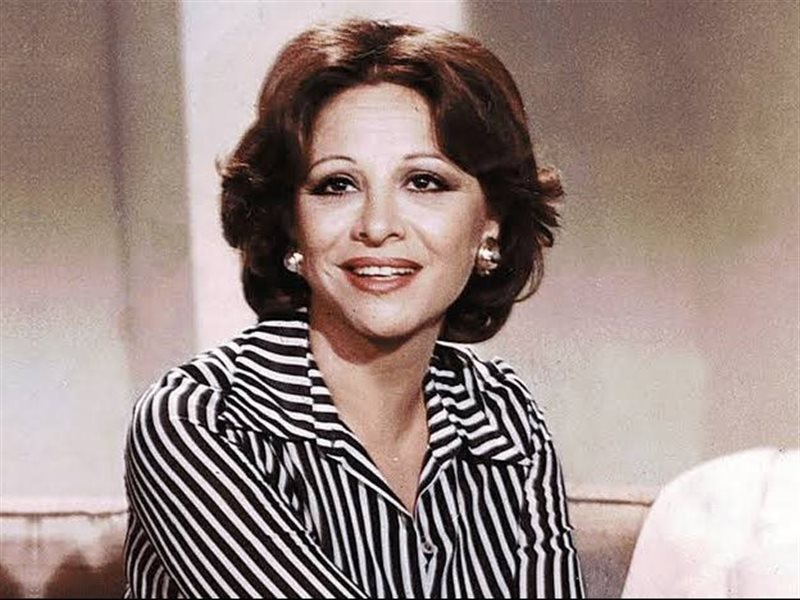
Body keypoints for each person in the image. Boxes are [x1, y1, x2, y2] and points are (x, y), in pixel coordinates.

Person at [124, 18, 584, 599]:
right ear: (292, 223)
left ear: (490, 221)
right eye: (337, 185)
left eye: (424, 182)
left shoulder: (503, 417)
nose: (377, 226)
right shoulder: (198, 420)